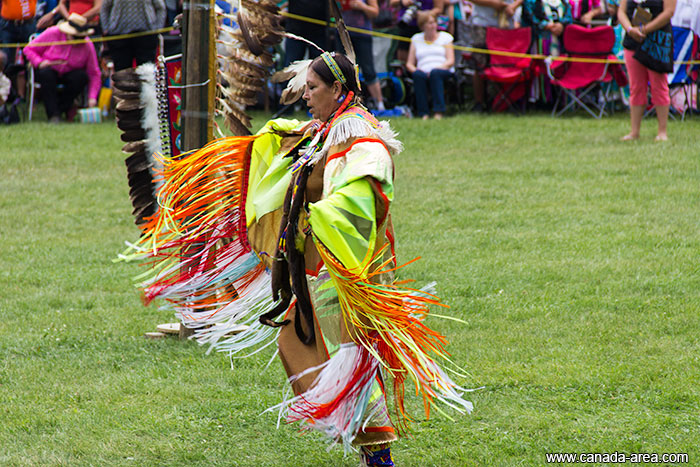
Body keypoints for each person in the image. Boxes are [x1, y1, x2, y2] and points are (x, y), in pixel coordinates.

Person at [122, 51, 472, 467]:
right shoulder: (328, 128)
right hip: (318, 265)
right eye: (305, 87)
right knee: (309, 345)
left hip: (345, 270)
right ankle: (368, 449)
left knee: (350, 358)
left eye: (313, 88)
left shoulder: (360, 137)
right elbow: (297, 150)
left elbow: (367, 190)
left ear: (337, 89)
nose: (305, 96)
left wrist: (323, 217)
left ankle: (378, 456)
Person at [23, 12, 99, 122]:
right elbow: (28, 49)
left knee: (81, 77)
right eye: (75, 37)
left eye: (80, 37)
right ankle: (53, 115)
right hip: (49, 70)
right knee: (46, 74)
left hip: (70, 74)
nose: (78, 40)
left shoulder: (87, 45)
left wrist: (92, 97)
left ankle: (60, 109)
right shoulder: (52, 32)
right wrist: (39, 62)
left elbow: (94, 73)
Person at [617, 0, 676, 141]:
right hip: (633, 40)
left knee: (659, 86)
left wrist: (645, 29)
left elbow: (669, 12)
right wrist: (630, 29)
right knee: (636, 87)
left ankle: (662, 132)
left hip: (657, 42)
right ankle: (634, 132)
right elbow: (621, 12)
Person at [463, 0, 523, 111]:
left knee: (505, 64)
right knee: (480, 64)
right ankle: (479, 103)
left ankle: (502, 102)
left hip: (505, 24)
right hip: (482, 24)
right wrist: (494, 4)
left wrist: (513, 6)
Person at [339, 0, 388, 114]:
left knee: (368, 70)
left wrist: (362, 6)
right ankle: (343, 103)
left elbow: (375, 12)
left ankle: (380, 104)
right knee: (343, 70)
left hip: (363, 35)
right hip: (343, 34)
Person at [406, 11, 455, 119]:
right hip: (422, 71)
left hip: (442, 70)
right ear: (422, 26)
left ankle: (439, 111)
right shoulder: (416, 39)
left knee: (435, 74)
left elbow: (451, 60)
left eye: (434, 22)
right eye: (429, 23)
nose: (433, 25)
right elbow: (409, 64)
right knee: (418, 75)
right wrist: (416, 70)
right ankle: (423, 113)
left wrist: (437, 68)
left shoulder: (446, 37)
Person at [100, 0, 165, 71]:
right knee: (122, 72)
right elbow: (105, 8)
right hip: (119, 36)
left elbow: (160, 7)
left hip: (146, 35)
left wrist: (157, 28)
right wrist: (106, 28)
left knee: (146, 71)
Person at [0, 0, 37, 68]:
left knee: (30, 58)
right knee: (6, 59)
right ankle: (6, 74)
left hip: (28, 23)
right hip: (8, 24)